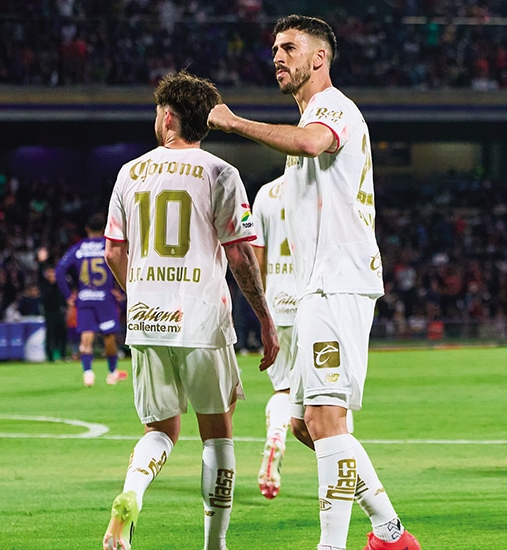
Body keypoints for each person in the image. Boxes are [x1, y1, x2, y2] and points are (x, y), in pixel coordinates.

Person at [208, 15, 421, 550]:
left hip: (337, 283)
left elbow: (310, 143)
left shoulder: (334, 108)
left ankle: (333, 546)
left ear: (318, 58)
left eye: (289, 48)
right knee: (308, 424)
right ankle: (390, 532)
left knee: (326, 418)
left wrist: (235, 125)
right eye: (275, 48)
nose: (277, 57)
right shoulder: (309, 119)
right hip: (314, 290)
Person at [100, 71, 278, 550]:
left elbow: (114, 252)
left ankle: (131, 493)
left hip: (145, 319)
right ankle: (214, 545)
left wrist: (139, 292)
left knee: (160, 431)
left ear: (168, 116)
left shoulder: (128, 172)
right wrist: (263, 316)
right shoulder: (221, 173)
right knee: (218, 438)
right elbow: (240, 255)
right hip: (201, 319)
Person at [249, 176, 299, 499]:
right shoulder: (322, 181)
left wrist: (263, 310)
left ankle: (276, 435)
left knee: (284, 389)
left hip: (278, 304)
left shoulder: (266, 193)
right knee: (331, 400)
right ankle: (344, 479)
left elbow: (257, 258)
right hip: (317, 302)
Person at [56, 213, 126, 387]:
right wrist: (120, 288)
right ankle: (112, 373)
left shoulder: (78, 248)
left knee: (86, 337)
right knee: (109, 336)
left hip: (85, 297)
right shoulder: (106, 246)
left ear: (87, 229)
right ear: (103, 230)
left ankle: (88, 373)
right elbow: (121, 262)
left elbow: (59, 271)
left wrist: (68, 295)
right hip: (105, 298)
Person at [38, 249, 69, 362]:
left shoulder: (59, 284)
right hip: (49, 312)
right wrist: (41, 262)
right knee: (50, 334)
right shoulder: (44, 285)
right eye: (49, 273)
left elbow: (63, 296)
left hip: (59, 311)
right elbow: (45, 297)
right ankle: (50, 356)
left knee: (62, 333)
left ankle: (63, 354)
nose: (52, 275)